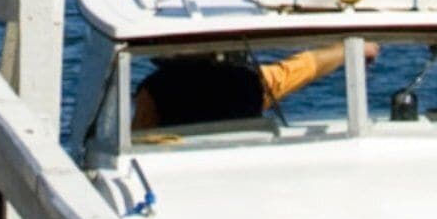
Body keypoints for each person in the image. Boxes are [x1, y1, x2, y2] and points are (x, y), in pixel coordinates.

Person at [133, 40, 374, 128]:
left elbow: (141, 135)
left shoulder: (155, 89)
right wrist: (349, 50)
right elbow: (307, 66)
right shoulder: (251, 82)